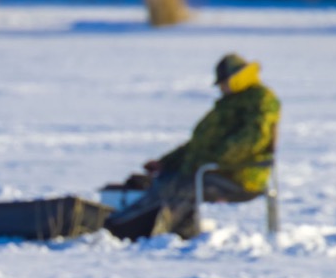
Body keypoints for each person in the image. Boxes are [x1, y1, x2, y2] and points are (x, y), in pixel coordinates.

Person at [103, 53, 281, 240]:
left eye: (223, 82)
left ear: (237, 78)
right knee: (166, 178)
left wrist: (210, 161)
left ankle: (146, 233)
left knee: (181, 185)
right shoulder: (228, 104)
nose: (221, 88)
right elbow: (199, 145)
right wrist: (166, 163)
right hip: (215, 170)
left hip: (241, 175)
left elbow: (251, 141)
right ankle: (137, 228)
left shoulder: (262, 101)